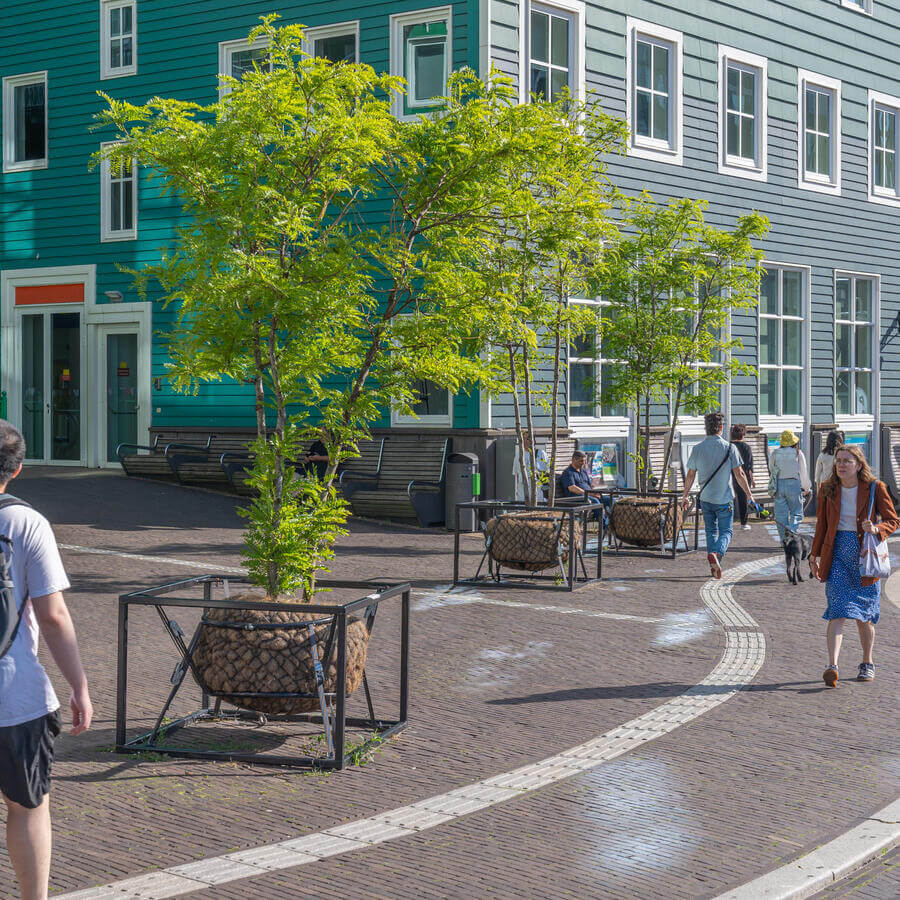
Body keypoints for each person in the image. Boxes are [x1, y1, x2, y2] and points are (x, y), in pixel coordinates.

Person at [0, 420, 93, 900]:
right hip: (14, 697)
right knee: (27, 807)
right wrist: (78, 686)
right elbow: (53, 616)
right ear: (16, 472)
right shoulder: (25, 523)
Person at [809, 445, 898, 687]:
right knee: (837, 611)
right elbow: (822, 525)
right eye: (838, 460)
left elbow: (893, 520)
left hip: (865, 557)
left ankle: (867, 662)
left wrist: (877, 529)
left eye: (847, 461)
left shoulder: (874, 488)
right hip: (837, 554)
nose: (841, 465)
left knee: (864, 617)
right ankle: (832, 666)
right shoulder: (827, 489)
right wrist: (814, 555)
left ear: (858, 465)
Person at [680, 412, 754, 579]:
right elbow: (740, 474)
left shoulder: (697, 448)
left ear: (706, 428)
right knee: (726, 531)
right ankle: (717, 554)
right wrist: (749, 495)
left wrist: (685, 495)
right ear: (721, 427)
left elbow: (690, 475)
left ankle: (713, 565)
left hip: (705, 498)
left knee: (710, 531)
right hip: (724, 498)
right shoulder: (729, 448)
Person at [769, 430, 812, 541]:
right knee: (797, 512)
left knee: (780, 515)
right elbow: (803, 471)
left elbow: (771, 469)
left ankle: (784, 541)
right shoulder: (798, 453)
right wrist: (806, 487)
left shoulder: (775, 453)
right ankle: (792, 531)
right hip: (793, 483)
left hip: (779, 484)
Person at [560, 450, 606, 520]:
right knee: (595, 502)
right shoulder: (568, 472)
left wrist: (595, 492)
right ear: (573, 460)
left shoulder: (583, 471)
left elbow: (590, 485)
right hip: (576, 498)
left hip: (589, 495)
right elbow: (572, 488)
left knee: (609, 499)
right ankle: (603, 526)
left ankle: (612, 524)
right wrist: (589, 494)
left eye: (584, 461)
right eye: (581, 461)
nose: (583, 463)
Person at [730, 424, 755, 531]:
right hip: (743, 477)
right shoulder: (746, 447)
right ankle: (743, 523)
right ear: (743, 434)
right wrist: (752, 480)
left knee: (728, 499)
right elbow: (749, 466)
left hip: (729, 476)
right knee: (743, 500)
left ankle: (727, 522)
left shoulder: (728, 446)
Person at [514, 433, 549, 503]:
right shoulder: (518, 455)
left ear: (534, 441)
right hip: (522, 492)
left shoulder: (541, 454)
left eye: (528, 439)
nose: (525, 441)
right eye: (523, 439)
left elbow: (547, 474)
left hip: (537, 491)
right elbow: (517, 475)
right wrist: (517, 492)